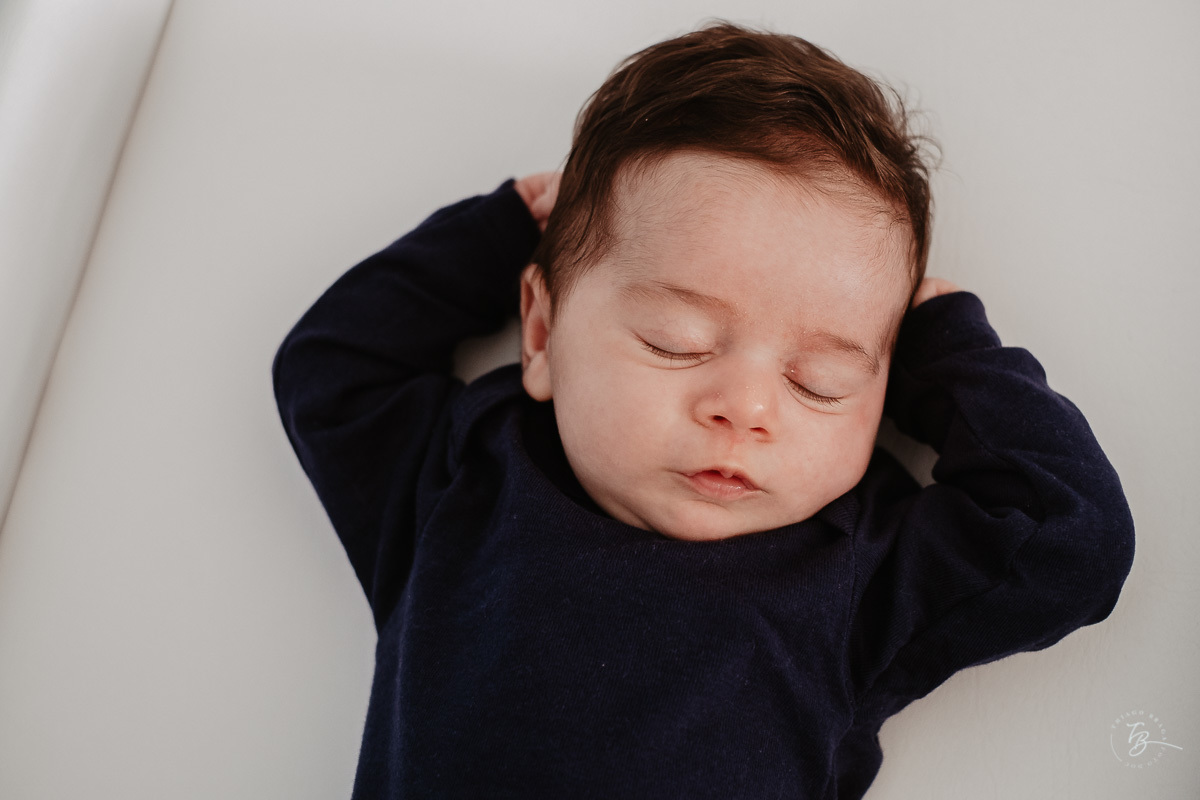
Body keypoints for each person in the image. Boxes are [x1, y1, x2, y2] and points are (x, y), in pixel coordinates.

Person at [271, 20, 1134, 799]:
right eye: (675, 341)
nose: (746, 408)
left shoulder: (858, 572)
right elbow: (335, 368)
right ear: (540, 333)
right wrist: (496, 230)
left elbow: (1068, 534)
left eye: (821, 382)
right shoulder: (465, 484)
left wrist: (944, 355)